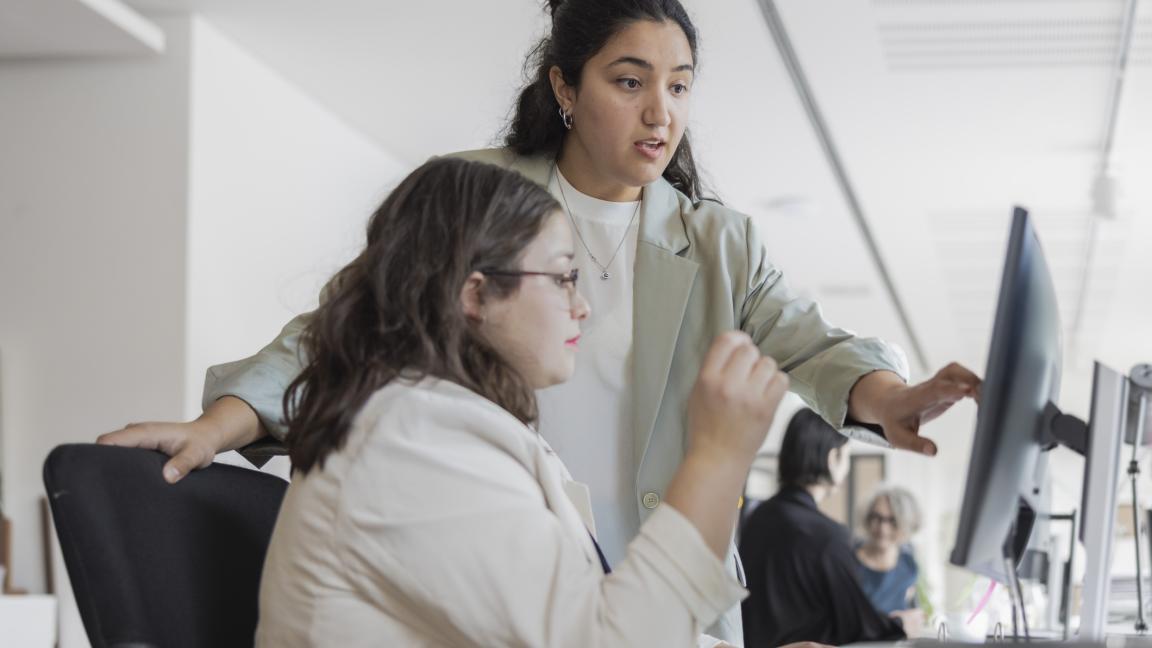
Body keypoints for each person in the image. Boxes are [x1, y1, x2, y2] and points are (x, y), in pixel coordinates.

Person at [99, 0, 981, 643]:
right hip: (506, 564)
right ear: (565, 85)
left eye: (678, 86)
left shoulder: (714, 241)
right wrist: (223, 422)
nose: (660, 113)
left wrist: (889, 397)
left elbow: (812, 343)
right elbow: (347, 323)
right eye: (629, 81)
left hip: (642, 587)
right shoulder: (481, 205)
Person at [255, 156, 784, 647]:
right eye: (562, 279)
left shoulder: (446, 427)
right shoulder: (410, 440)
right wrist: (715, 457)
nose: (581, 309)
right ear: (475, 294)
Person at [739, 409, 921, 646]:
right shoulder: (827, 536)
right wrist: (902, 626)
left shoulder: (759, 517)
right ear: (832, 458)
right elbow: (856, 624)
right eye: (846, 456)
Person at [856, 486, 923, 616]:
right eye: (876, 517)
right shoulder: (847, 561)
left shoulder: (908, 565)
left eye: (893, 521)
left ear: (906, 524)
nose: (883, 528)